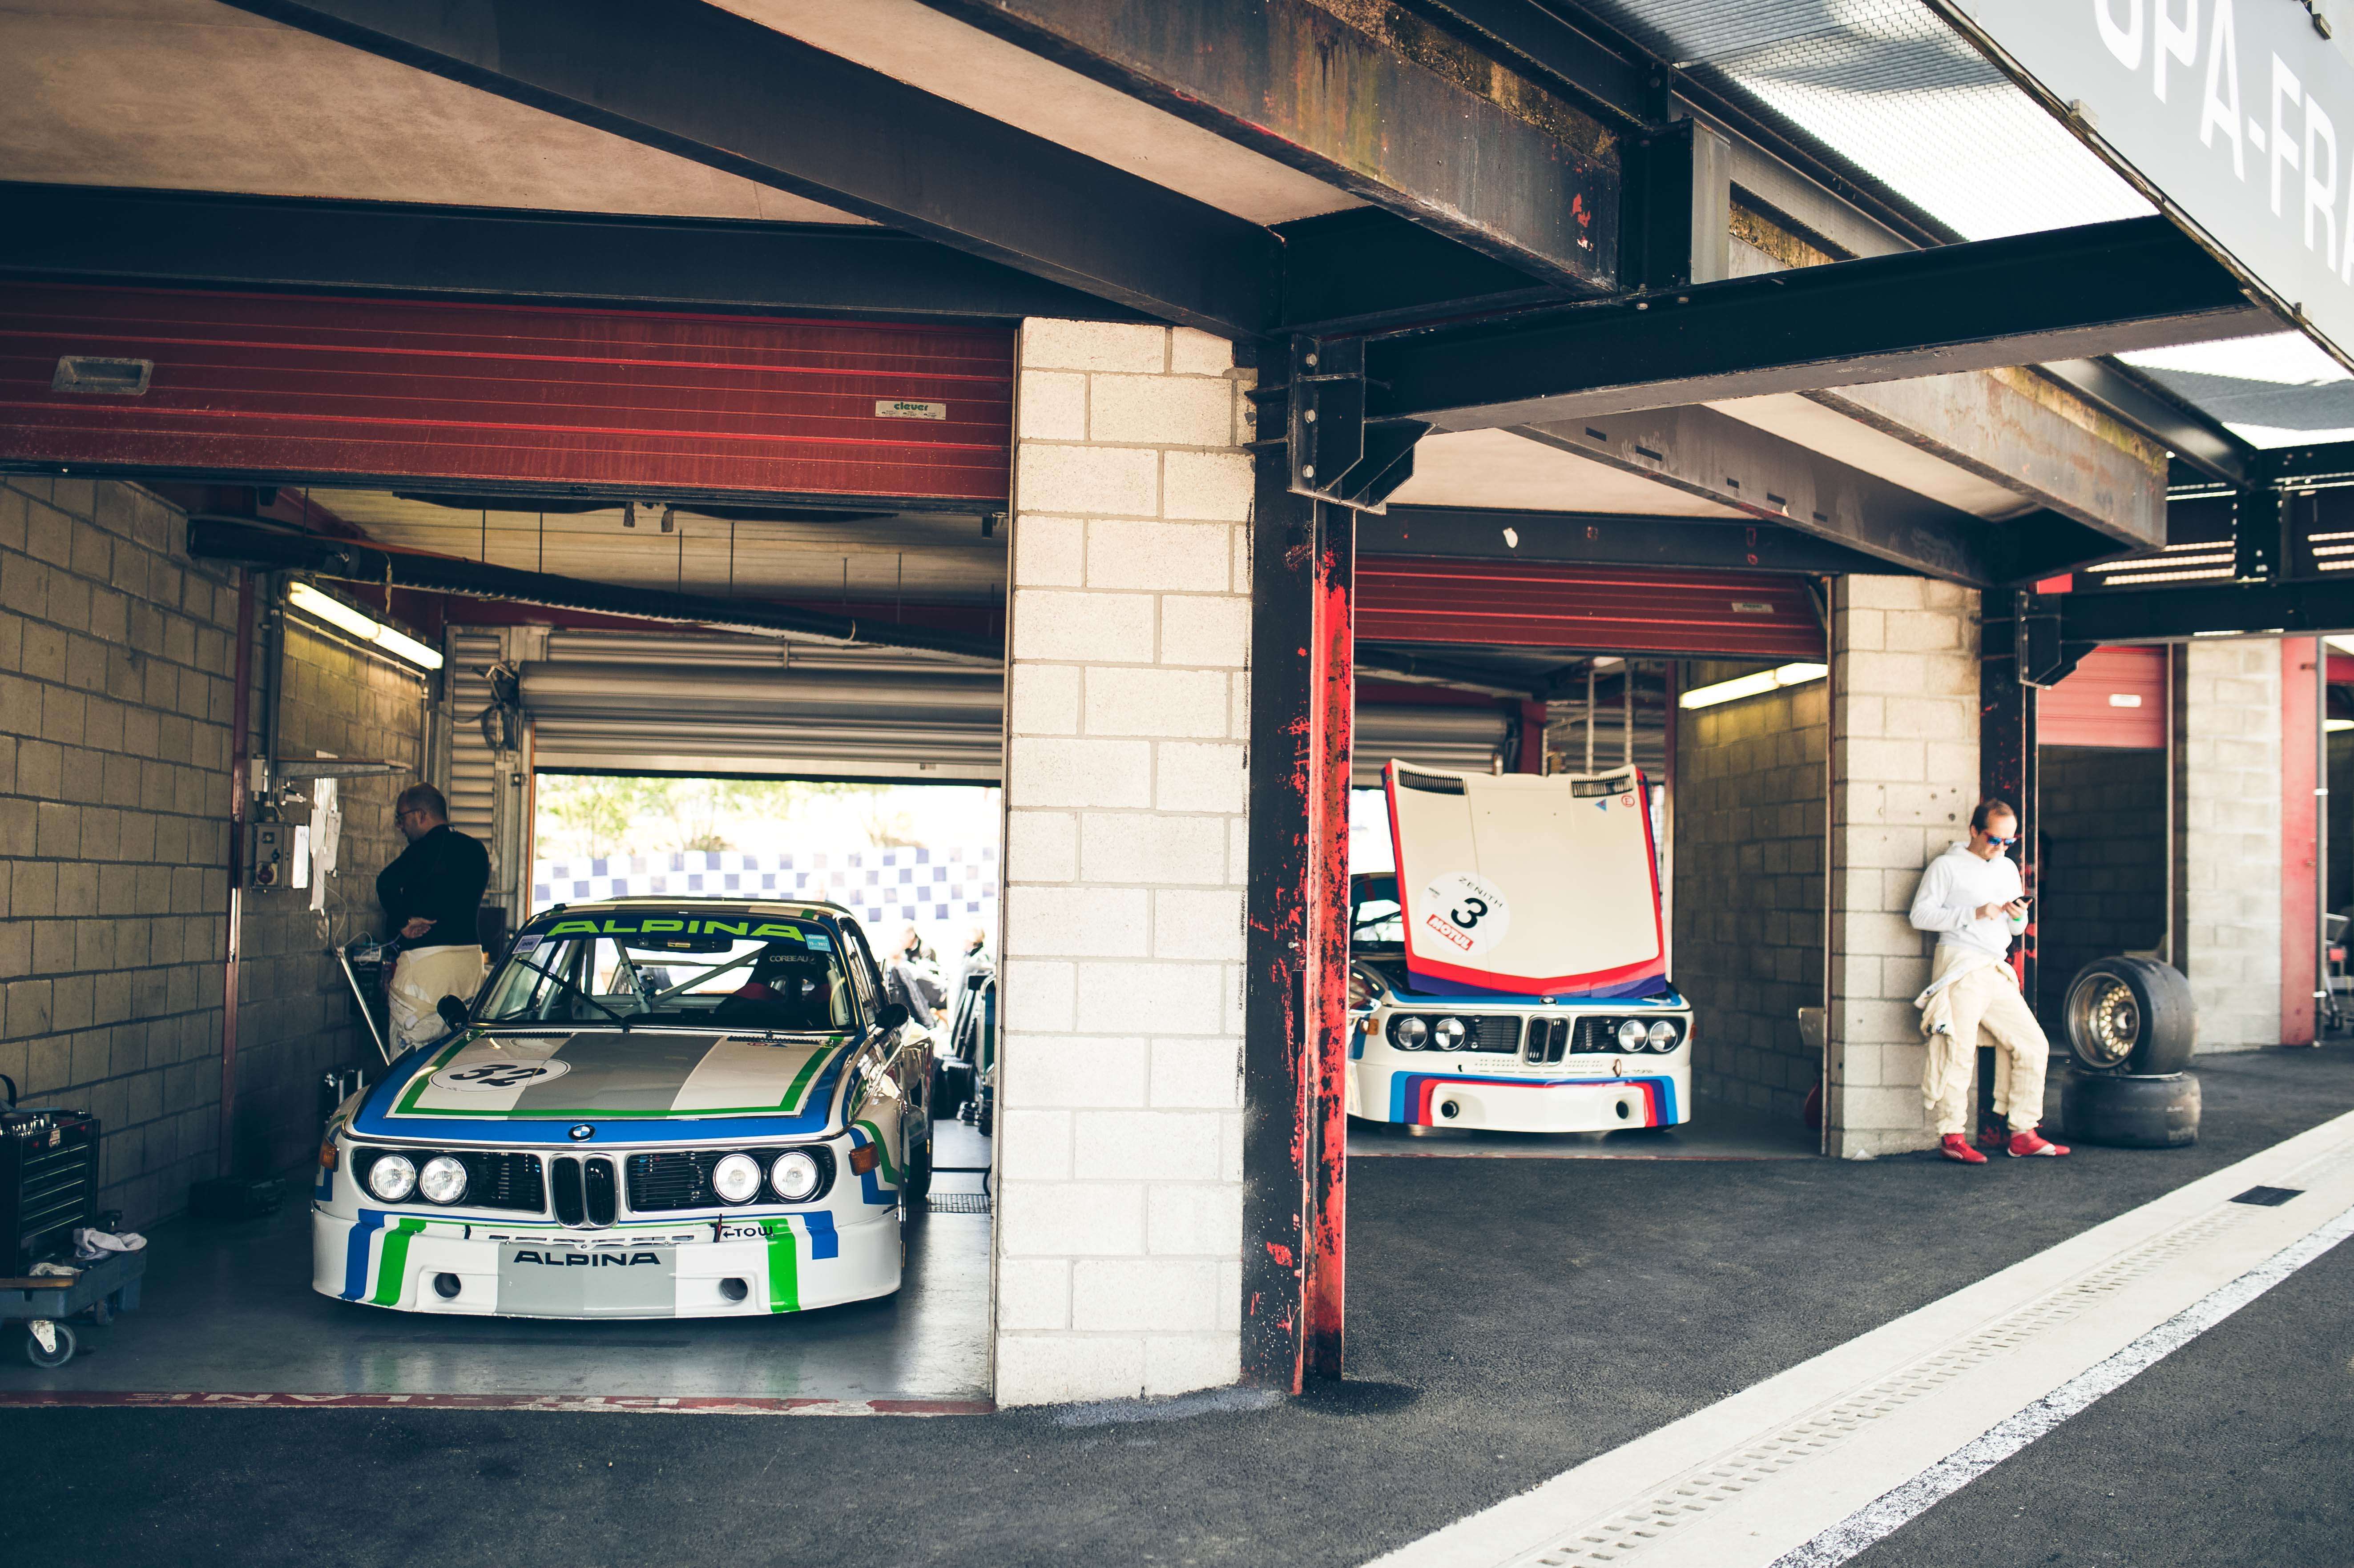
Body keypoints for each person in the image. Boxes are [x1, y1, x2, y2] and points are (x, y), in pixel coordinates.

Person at [1907, 798, 2070, 1164]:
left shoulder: (2007, 869)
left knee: (2033, 1045)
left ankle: (2023, 1132)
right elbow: (1920, 915)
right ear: (1974, 831)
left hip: (1996, 965)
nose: (2000, 848)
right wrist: (1974, 913)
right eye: (1994, 840)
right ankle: (1952, 1135)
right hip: (1961, 962)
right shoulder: (1947, 867)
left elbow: (2016, 930)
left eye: (2009, 843)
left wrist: (2017, 917)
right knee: (1958, 1051)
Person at [376, 784, 491, 1050]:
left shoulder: (425, 849)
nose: (399, 826)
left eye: (401, 818)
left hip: (428, 968)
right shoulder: (476, 850)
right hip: (470, 964)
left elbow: (385, 883)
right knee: (459, 1052)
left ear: (421, 815)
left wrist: (404, 922)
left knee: (410, 1055)